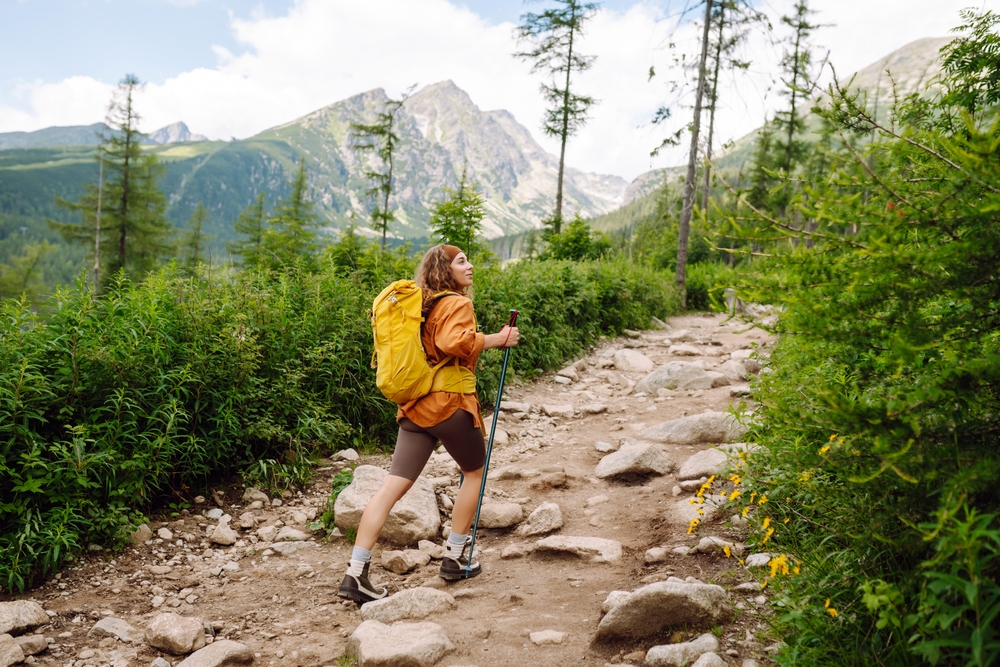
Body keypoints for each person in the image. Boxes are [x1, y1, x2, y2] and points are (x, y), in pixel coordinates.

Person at [339, 244, 520, 604]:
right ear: (445, 268)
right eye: (461, 261)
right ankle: (454, 557)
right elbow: (452, 342)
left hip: (416, 407)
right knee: (474, 473)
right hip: (449, 405)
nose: (470, 266)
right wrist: (498, 339)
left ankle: (355, 574)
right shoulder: (457, 302)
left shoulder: (420, 306)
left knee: (391, 488)